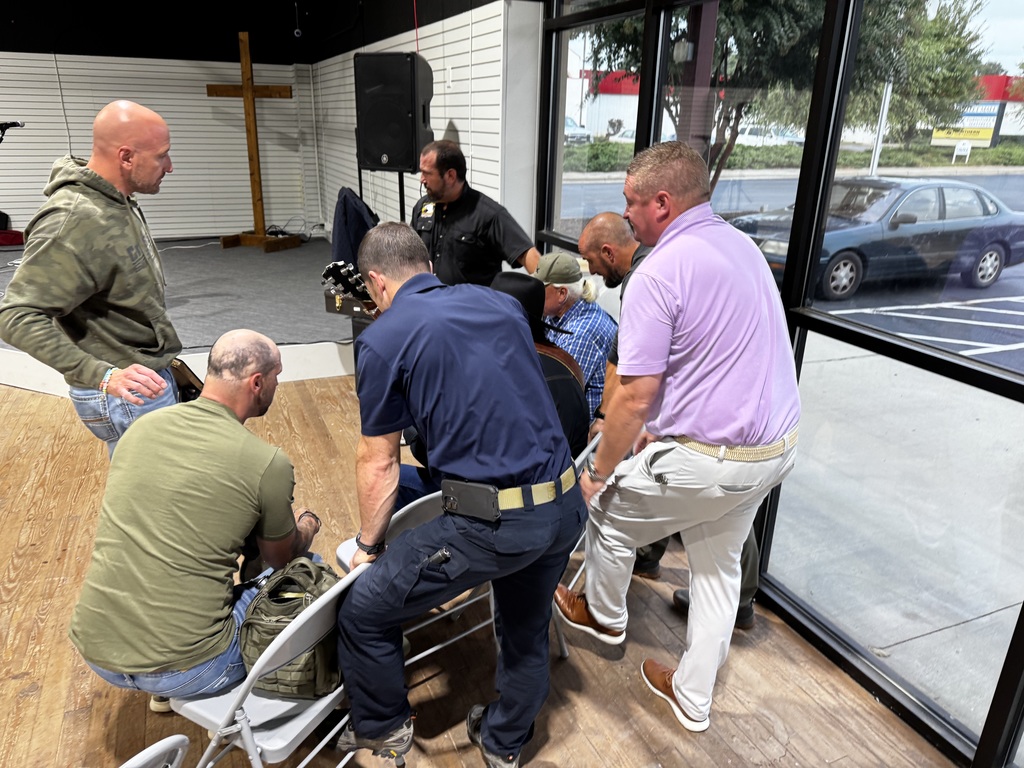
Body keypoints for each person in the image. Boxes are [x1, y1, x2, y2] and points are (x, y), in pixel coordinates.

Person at [553, 142, 800, 734]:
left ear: (661, 203)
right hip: (778, 449)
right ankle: (693, 695)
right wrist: (660, 428)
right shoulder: (741, 245)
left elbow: (635, 394)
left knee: (607, 510)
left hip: (716, 458)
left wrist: (599, 471)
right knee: (716, 571)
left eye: (631, 203)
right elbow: (711, 356)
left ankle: (605, 616)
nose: (629, 216)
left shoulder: (657, 271)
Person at [335, 222, 586, 768]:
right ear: (426, 263)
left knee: (364, 610)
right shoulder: (498, 305)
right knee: (525, 628)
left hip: (495, 526)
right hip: (565, 506)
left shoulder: (381, 338)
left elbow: (377, 461)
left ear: (376, 283)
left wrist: (368, 547)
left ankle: (382, 733)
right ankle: (503, 742)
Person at [68, 329, 322, 711]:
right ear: (257, 382)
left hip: (96, 652)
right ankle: (339, 705)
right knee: (309, 572)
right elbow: (280, 560)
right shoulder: (267, 462)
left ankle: (161, 690)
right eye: (276, 376)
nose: (276, 384)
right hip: (195, 668)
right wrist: (307, 524)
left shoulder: (141, 431)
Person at [580, 212, 759, 617]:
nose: (589, 270)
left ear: (608, 252)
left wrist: (600, 465)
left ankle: (604, 611)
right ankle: (729, 592)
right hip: (717, 405)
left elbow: (635, 374)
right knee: (718, 507)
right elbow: (622, 356)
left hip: (708, 415)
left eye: (590, 260)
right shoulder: (674, 263)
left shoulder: (649, 276)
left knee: (708, 501)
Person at [0, 99, 180, 456]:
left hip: (143, 379)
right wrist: (102, 374)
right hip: (125, 394)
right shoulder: (73, 221)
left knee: (154, 497)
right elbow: (15, 316)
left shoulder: (117, 199)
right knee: (158, 503)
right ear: (126, 157)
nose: (170, 167)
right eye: (162, 156)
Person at [411, 139, 540, 285]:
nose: (422, 179)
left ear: (450, 176)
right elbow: (410, 254)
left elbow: (529, 255)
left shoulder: (488, 214)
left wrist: (546, 299)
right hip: (428, 302)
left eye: (427, 173)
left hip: (470, 306)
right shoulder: (422, 207)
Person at [535, 252, 617, 419]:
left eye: (540, 289)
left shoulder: (579, 334)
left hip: (582, 431)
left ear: (562, 294)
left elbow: (554, 394)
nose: (534, 294)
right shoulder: (559, 314)